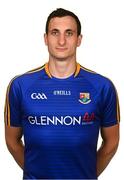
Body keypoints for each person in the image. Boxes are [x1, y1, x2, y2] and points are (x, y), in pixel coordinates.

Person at [4, 8, 120, 180]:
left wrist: (86, 174)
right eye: (55, 33)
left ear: (79, 39)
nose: (61, 41)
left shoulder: (102, 86)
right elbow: (12, 142)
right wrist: (36, 174)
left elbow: (111, 143)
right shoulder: (20, 86)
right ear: (45, 38)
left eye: (69, 33)